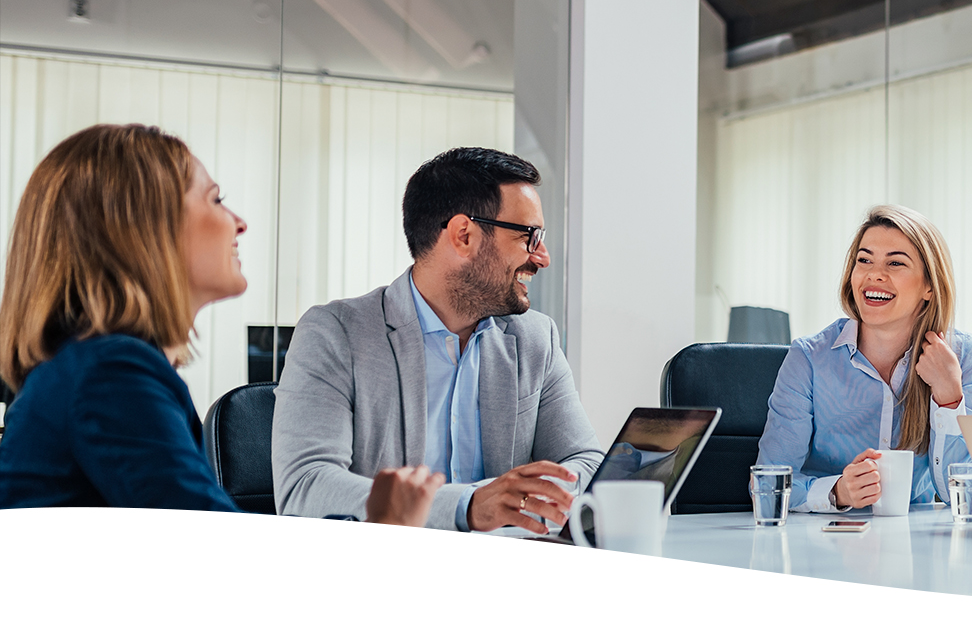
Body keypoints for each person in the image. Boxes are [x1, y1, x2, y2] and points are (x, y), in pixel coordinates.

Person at [0, 124, 439, 526]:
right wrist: (384, 527)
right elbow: (220, 568)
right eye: (214, 199)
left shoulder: (93, 365)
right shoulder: (110, 373)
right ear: (144, 226)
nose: (240, 222)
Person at [273, 147, 602, 534]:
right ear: (464, 235)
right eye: (529, 236)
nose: (542, 257)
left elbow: (588, 464)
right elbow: (305, 487)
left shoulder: (535, 339)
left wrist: (522, 498)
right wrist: (467, 506)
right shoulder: (336, 334)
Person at [758, 205, 972, 512]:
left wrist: (948, 397)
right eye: (864, 260)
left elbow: (959, 495)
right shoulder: (809, 359)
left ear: (929, 286)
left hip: (914, 544)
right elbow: (769, 481)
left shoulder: (959, 356)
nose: (874, 274)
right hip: (822, 543)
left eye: (895, 263)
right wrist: (837, 492)